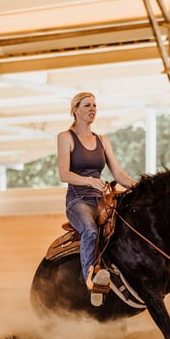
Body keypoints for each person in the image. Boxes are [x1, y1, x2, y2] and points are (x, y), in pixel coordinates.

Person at [57, 92, 135, 306]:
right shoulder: (66, 137)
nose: (92, 109)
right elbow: (64, 174)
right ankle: (90, 279)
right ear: (75, 110)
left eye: (94, 105)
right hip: (78, 200)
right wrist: (90, 181)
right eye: (87, 105)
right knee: (90, 230)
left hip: (102, 201)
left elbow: (118, 174)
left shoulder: (102, 140)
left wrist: (138, 187)